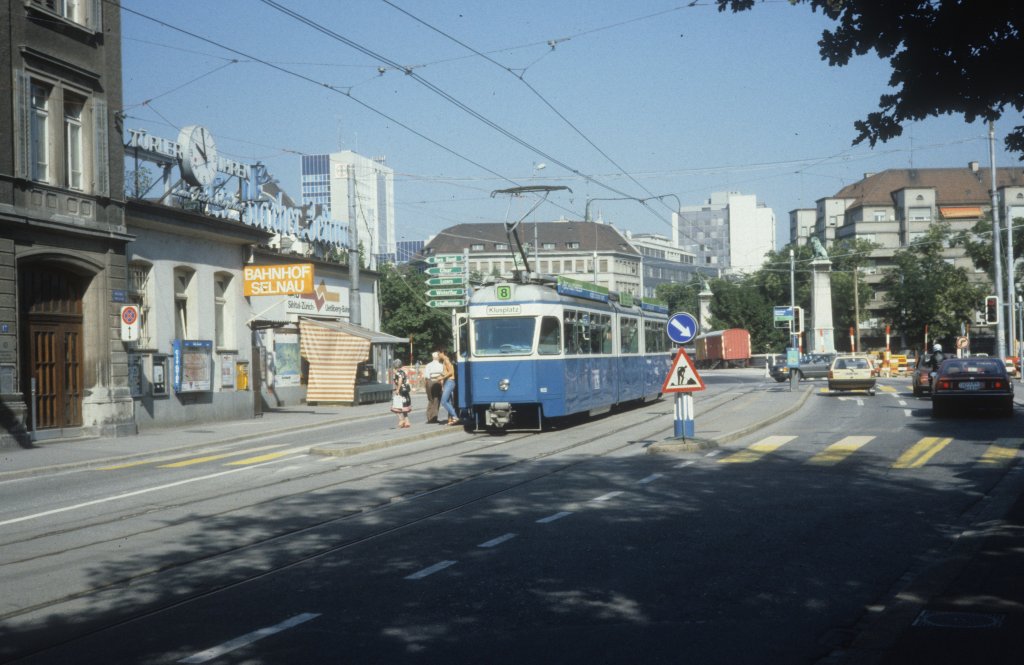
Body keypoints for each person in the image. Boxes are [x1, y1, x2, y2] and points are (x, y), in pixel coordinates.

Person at [438, 350, 459, 426]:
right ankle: (451, 419)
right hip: (448, 381)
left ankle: (455, 416)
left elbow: (451, 372)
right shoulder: (444, 361)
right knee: (449, 401)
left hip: (450, 382)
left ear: (442, 352)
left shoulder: (446, 360)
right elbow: (446, 371)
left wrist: (442, 378)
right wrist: (440, 376)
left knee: (444, 401)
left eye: (439, 354)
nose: (438, 355)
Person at [423, 351, 444, 424]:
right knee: (436, 399)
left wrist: (426, 385)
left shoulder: (428, 365)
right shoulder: (441, 365)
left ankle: (429, 417)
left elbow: (426, 377)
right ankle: (434, 417)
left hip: (429, 382)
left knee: (430, 399)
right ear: (438, 357)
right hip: (438, 382)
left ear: (432, 357)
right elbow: (443, 375)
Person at [390, 359, 411, 429]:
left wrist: (397, 389)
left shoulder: (398, 373)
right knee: (404, 407)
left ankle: (401, 420)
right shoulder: (403, 372)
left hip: (400, 391)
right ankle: (407, 422)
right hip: (405, 392)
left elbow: (400, 380)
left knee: (395, 407)